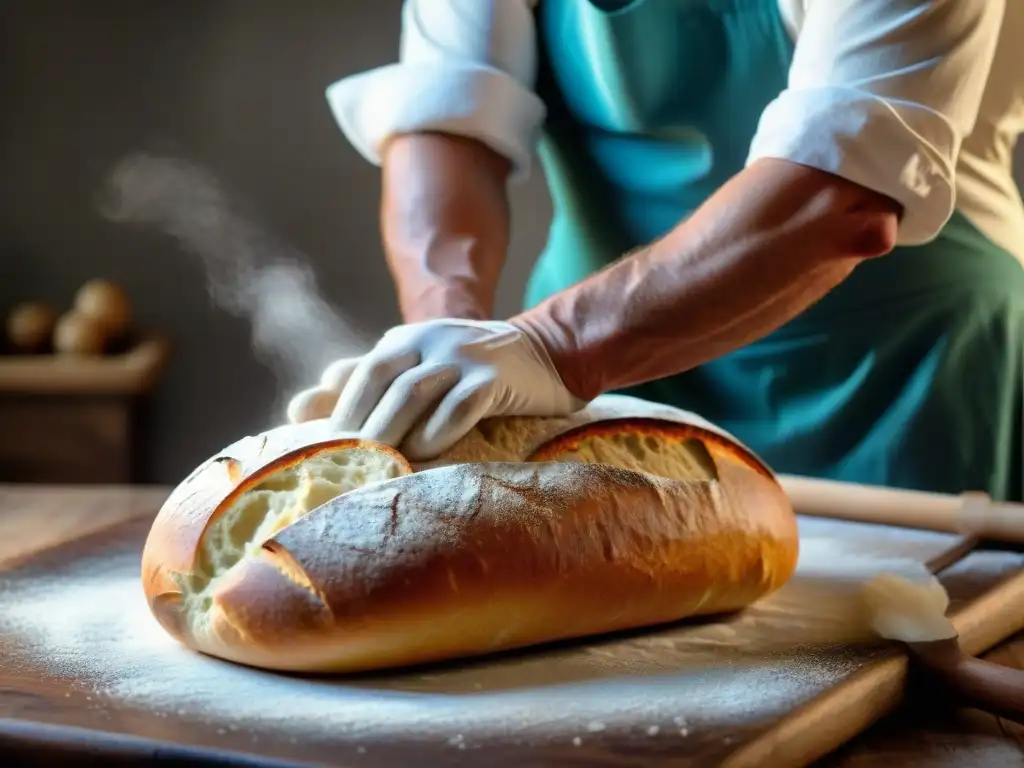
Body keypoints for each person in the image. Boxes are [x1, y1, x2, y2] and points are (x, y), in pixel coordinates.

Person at [287, 0, 1024, 502]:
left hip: (905, 379)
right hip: (598, 383)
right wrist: (449, 344)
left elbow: (841, 198)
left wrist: (554, 344)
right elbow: (444, 118)